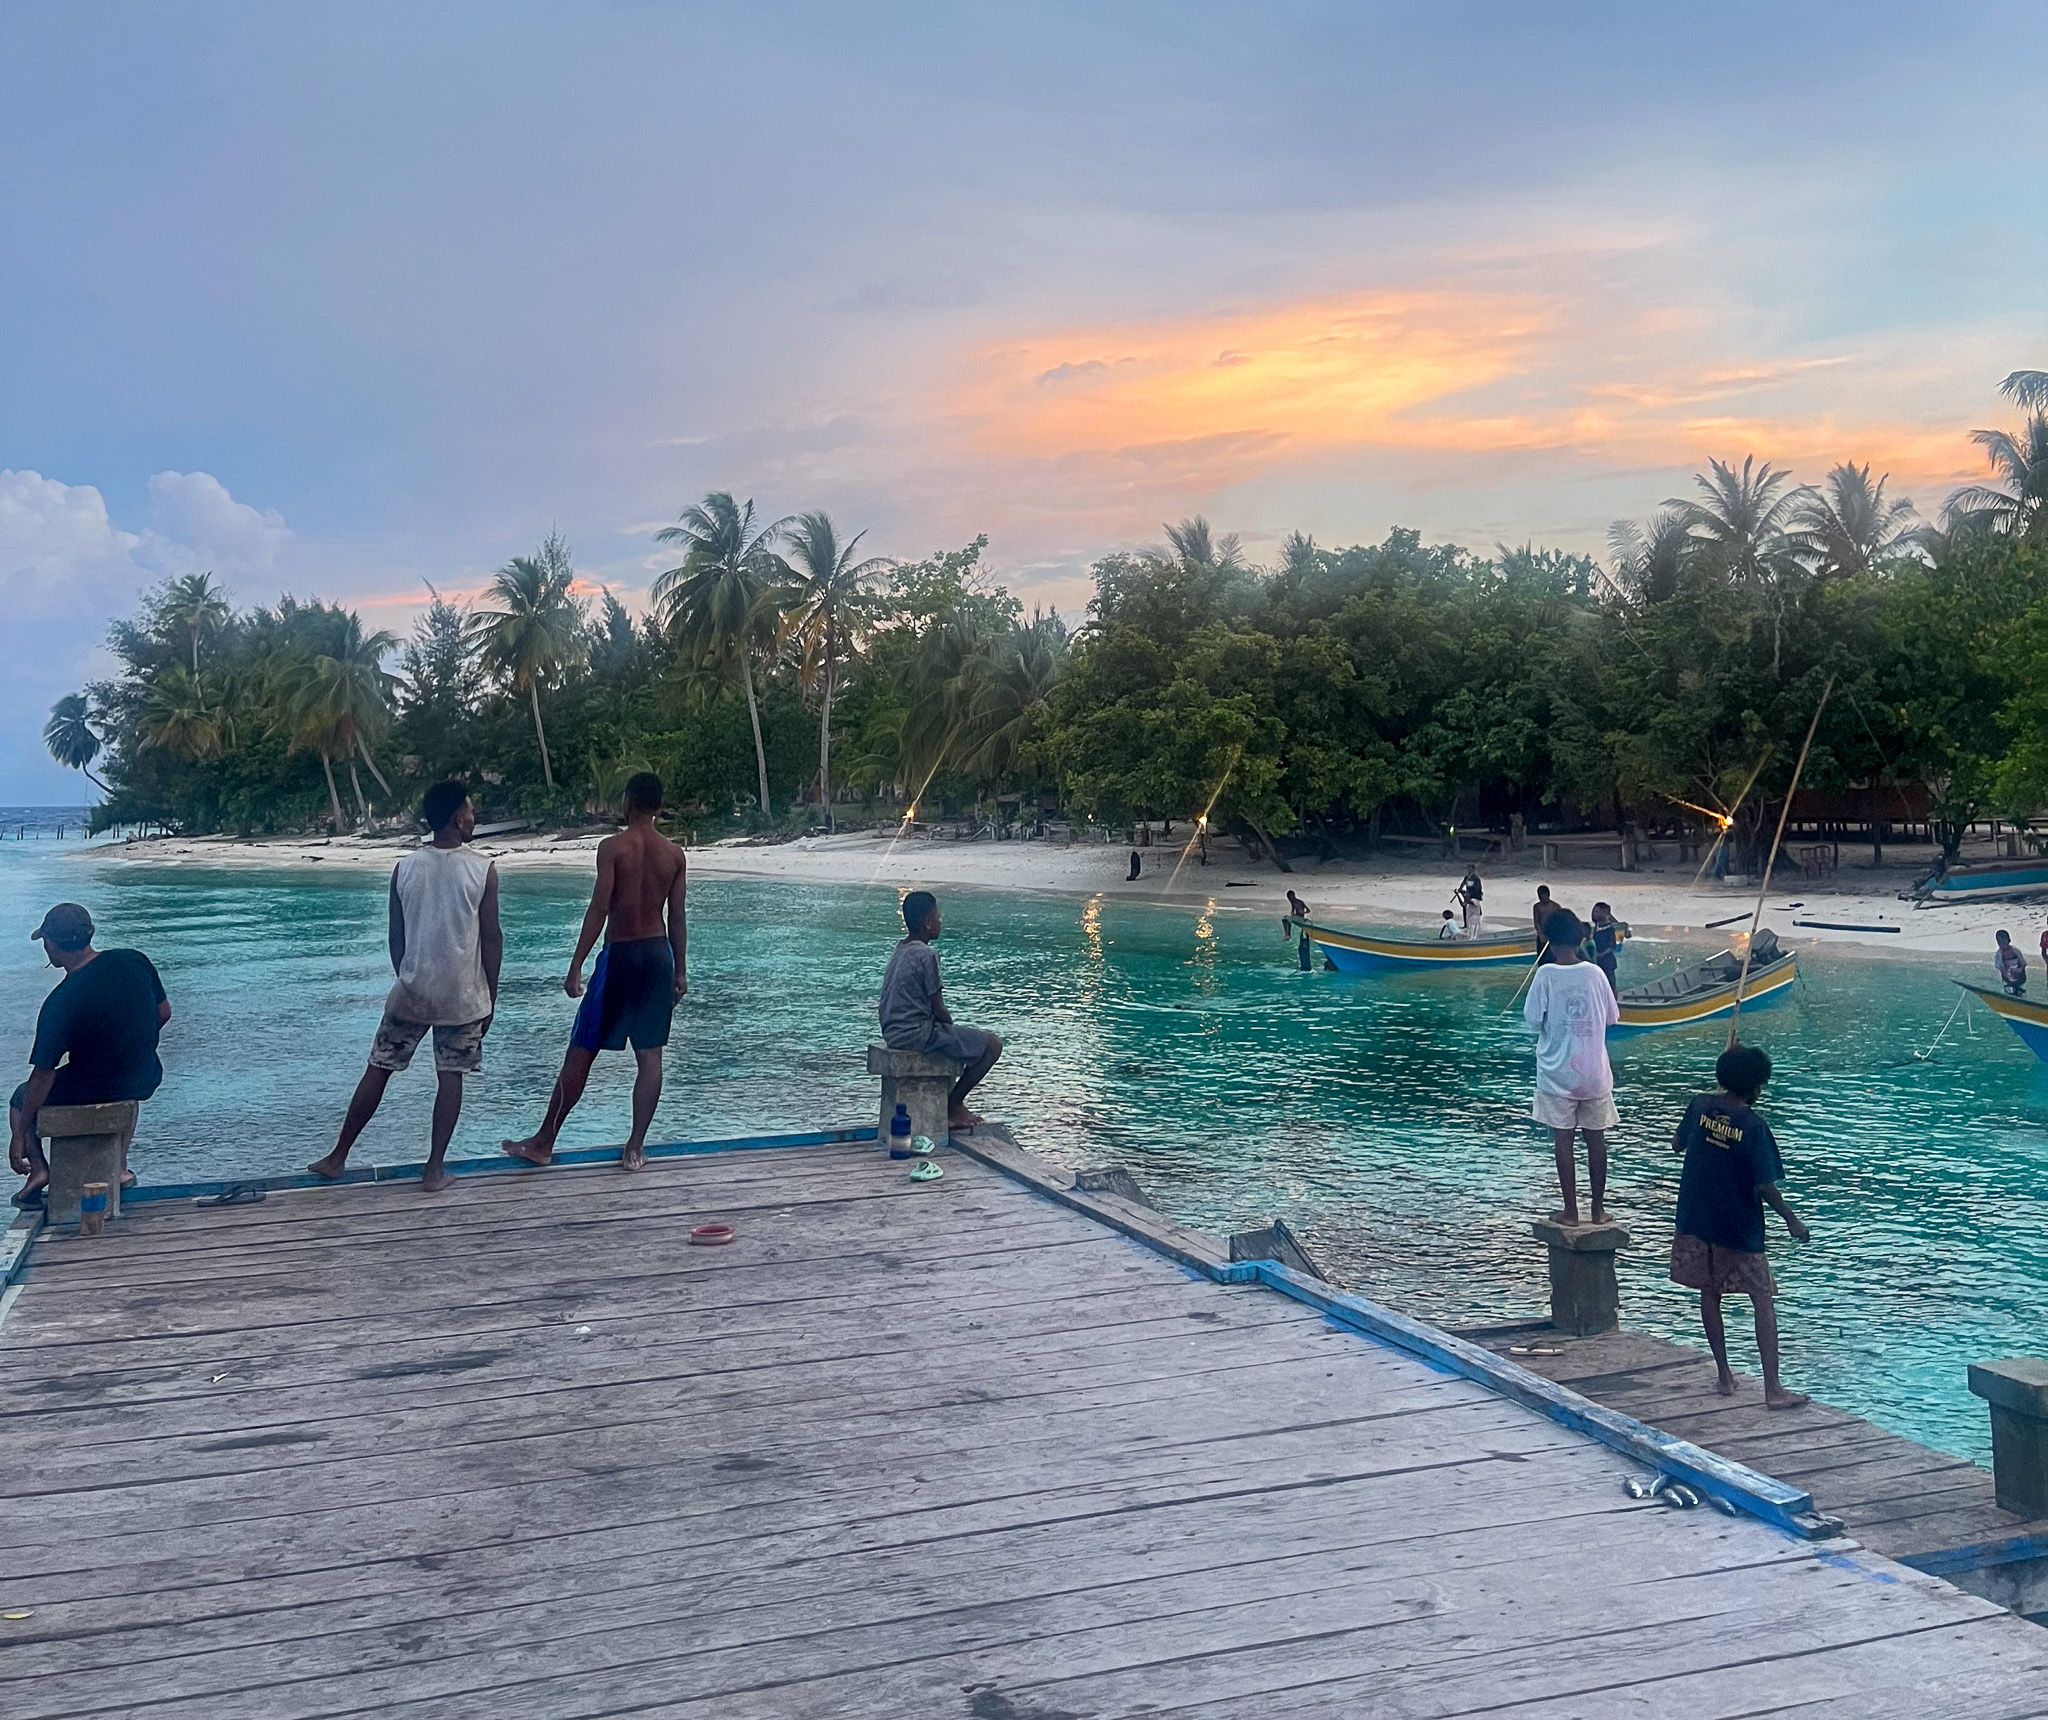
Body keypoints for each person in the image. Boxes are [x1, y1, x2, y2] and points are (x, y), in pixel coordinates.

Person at [310, 783, 502, 1193]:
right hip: (462, 995)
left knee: (379, 1068)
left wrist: (408, 974)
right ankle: (434, 1170)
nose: (474, 816)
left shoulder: (405, 868)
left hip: (411, 991)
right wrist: (491, 993)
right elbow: (492, 938)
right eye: (470, 810)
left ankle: (338, 1156)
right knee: (450, 1077)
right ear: (456, 818)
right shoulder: (483, 869)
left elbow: (395, 939)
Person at [504, 773, 687, 1173]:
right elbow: (677, 917)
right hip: (658, 955)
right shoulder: (674, 855)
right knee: (650, 1056)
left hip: (620, 953)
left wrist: (576, 964)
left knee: (582, 1050)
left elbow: (599, 908)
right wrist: (681, 972)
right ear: (657, 807)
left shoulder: (612, 848)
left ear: (628, 804)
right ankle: (635, 1149)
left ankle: (543, 1142)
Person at [1670, 1044, 1811, 1410]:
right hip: (1738, 1226)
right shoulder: (1753, 1126)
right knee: (1761, 1298)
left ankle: (1724, 1376)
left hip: (1697, 1219)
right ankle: (1773, 1389)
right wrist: (1791, 1219)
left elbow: (1676, 1145)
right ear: (1757, 1088)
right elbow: (1764, 1185)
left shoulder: (1699, 1106)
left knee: (1709, 1291)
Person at [10, 904, 170, 1210]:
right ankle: (119, 1169)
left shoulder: (62, 1001)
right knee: (124, 1080)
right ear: (89, 935)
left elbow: (43, 1074)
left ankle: (40, 1170)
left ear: (51, 945)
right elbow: (163, 1013)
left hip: (99, 1083)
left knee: (20, 1098)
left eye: (45, 942)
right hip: (142, 1075)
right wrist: (130, 1045)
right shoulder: (134, 960)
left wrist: (19, 1134)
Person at [1523, 912, 1620, 1225]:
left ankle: (1571, 1211)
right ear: (1581, 940)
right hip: (1594, 1071)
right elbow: (1611, 1017)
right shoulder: (1595, 974)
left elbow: (1533, 1019)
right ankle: (1598, 1210)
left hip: (1557, 1072)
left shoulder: (1546, 975)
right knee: (1596, 1140)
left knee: (1563, 1140)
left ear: (1550, 943)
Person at [880, 890, 1003, 1129]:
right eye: (938, 917)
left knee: (959, 1038)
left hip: (892, 1031)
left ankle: (952, 1104)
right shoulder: (927, 955)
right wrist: (951, 1026)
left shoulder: (900, 949)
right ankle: (953, 1104)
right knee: (991, 1046)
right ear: (928, 923)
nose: (940, 922)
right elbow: (938, 1008)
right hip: (916, 1033)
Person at [1589, 902, 1630, 993]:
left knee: (1610, 983)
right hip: (1598, 960)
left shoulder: (1609, 929)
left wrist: (1601, 954)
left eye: (1597, 912)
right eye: (1594, 911)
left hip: (1607, 961)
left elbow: (1612, 946)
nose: (1593, 914)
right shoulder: (1597, 926)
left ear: (1605, 914)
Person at [1996, 929, 2027, 995]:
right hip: (2007, 980)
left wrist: (2019, 970)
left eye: (2004, 942)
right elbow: (2001, 968)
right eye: (1999, 942)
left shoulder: (2016, 951)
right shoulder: (1999, 954)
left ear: (2009, 941)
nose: (2002, 944)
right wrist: (2008, 977)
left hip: (2020, 978)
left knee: (2021, 993)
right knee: (2009, 993)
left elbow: (2023, 963)